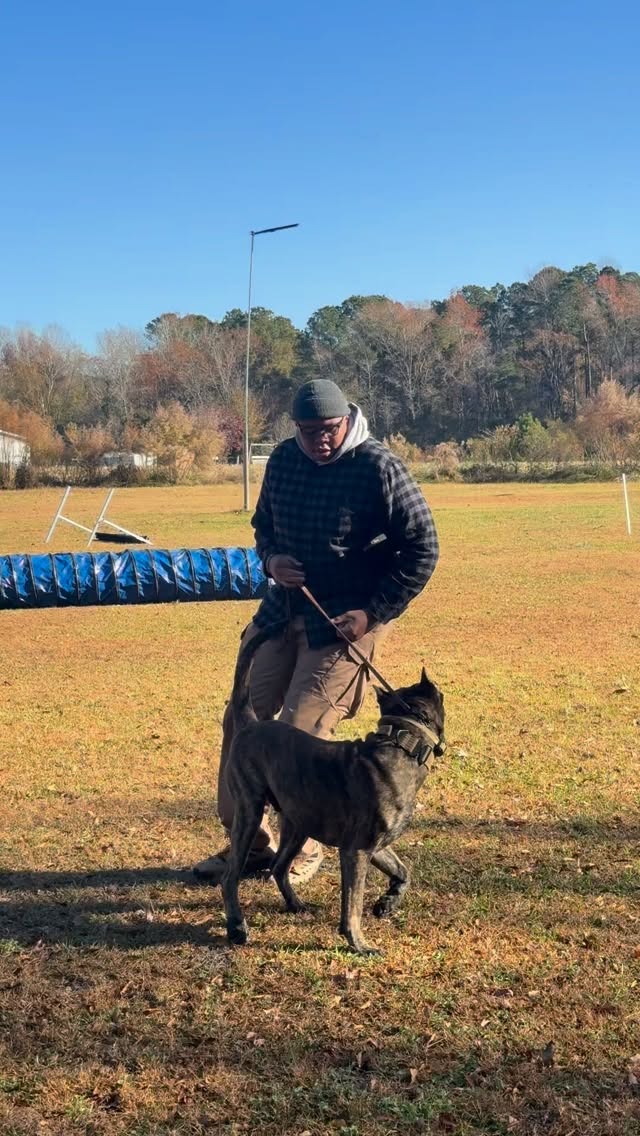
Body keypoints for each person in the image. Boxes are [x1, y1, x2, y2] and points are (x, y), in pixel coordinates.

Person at [194, 379, 439, 884]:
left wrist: (373, 613)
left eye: (327, 430)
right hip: (280, 613)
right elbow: (263, 526)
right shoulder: (284, 461)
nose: (319, 440)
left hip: (344, 625)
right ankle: (249, 842)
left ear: (347, 420)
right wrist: (272, 559)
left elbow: (423, 547)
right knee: (243, 722)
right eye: (308, 431)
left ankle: (299, 846)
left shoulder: (379, 467)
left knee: (301, 730)